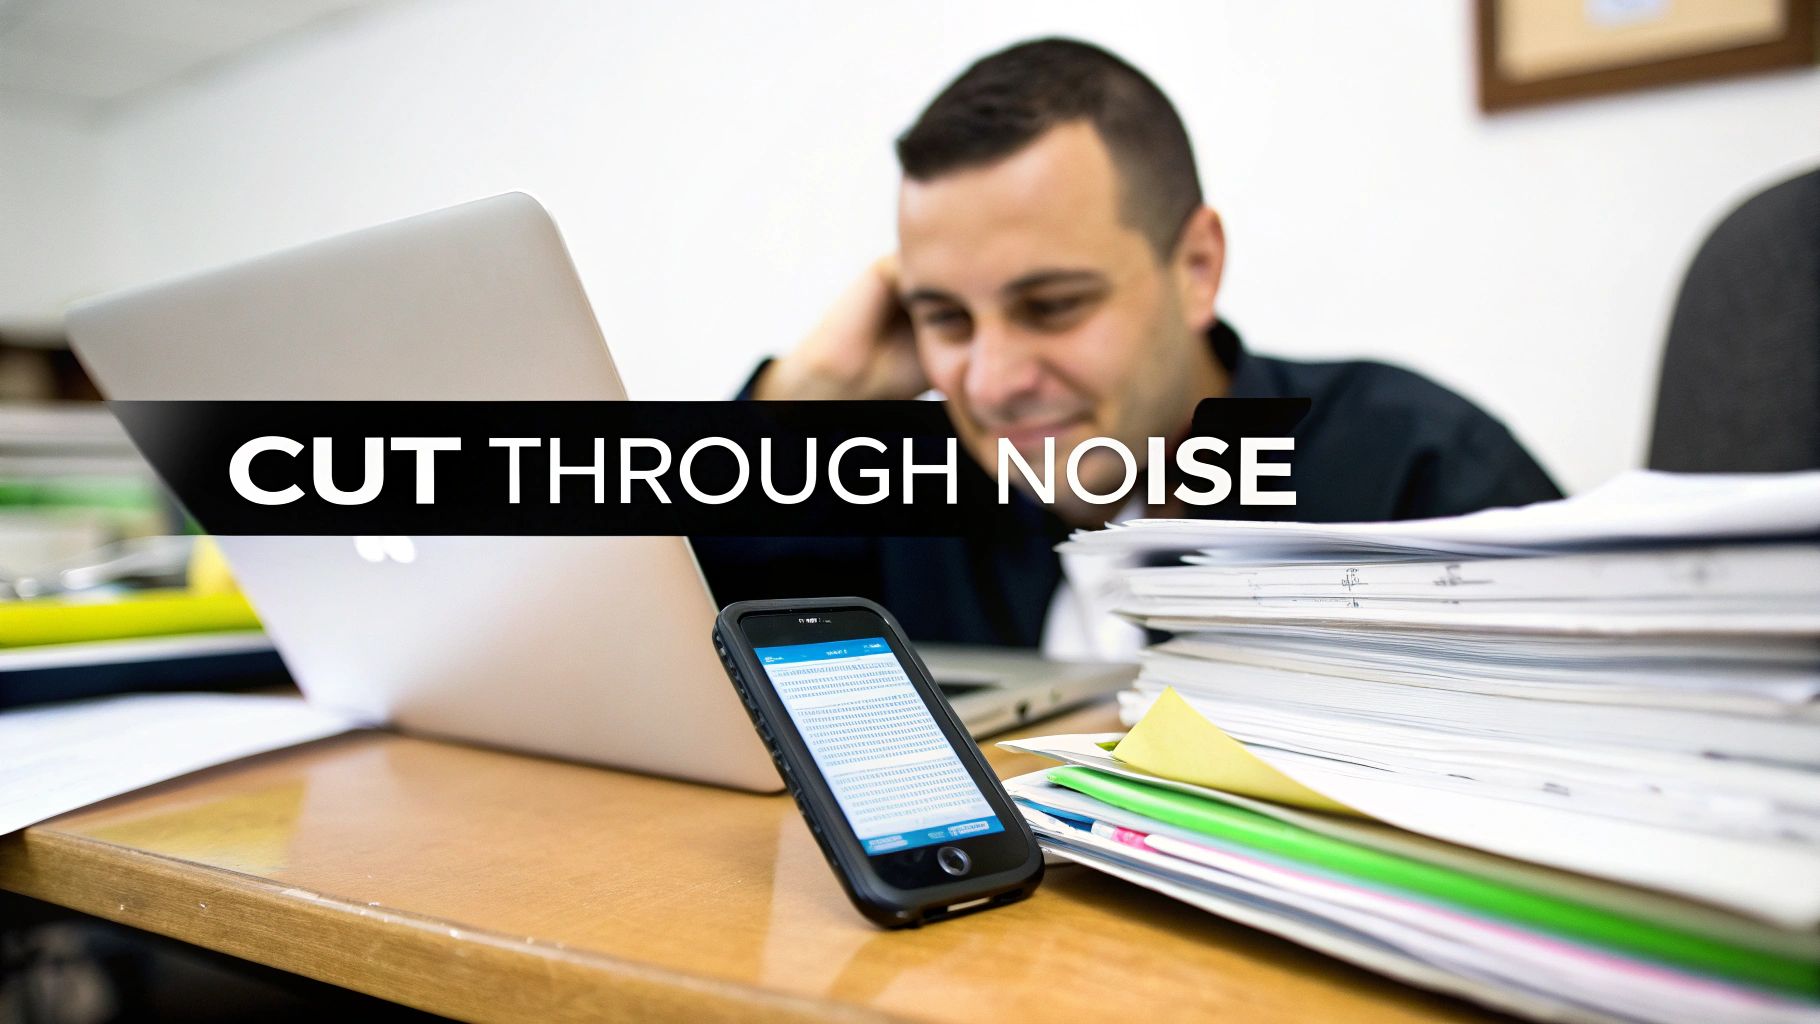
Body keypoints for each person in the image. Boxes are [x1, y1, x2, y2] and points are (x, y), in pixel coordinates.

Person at [694, 37, 1559, 653]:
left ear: (1195, 266)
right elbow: (669, 625)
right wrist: (804, 396)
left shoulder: (1423, 477)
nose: (992, 384)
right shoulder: (909, 487)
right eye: (947, 319)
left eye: (1052, 305)